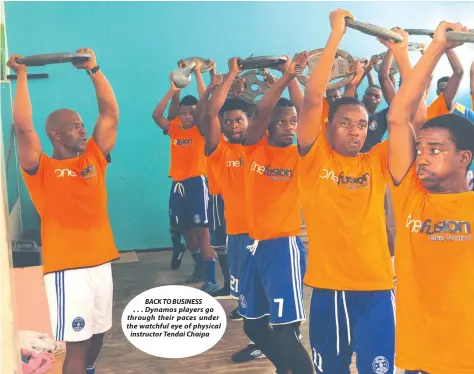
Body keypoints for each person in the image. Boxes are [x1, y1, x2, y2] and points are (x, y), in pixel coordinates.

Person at [8, 49, 119, 374]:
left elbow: (110, 113)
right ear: (54, 134)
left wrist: (94, 70)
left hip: (101, 261)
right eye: (74, 127)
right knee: (77, 346)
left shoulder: (94, 158)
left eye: (82, 125)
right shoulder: (41, 168)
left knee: (98, 335)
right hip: (68, 269)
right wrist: (22, 74)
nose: (82, 130)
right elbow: (24, 127)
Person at [297, 10, 396, 373]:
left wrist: (398, 54)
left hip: (377, 288)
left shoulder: (377, 160)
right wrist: (336, 35)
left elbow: (404, 116)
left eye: (363, 125)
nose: (356, 131)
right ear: (328, 128)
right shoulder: (314, 157)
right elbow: (311, 98)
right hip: (329, 288)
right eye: (345, 123)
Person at [385, 21, 474, 374]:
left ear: (464, 157)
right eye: (420, 148)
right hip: (419, 358)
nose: (421, 156)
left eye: (434, 149)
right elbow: (398, 117)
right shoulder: (410, 194)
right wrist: (435, 46)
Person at [238, 54, 313, 374]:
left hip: (283, 247)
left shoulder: (302, 155)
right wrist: (284, 77)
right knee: (253, 327)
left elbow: (310, 110)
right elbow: (261, 112)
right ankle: (287, 367)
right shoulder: (255, 146)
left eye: (293, 121)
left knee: (286, 330)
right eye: (282, 121)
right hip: (253, 246)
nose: (289, 127)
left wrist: (292, 76)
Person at [201, 58, 265, 362]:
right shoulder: (219, 151)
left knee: (268, 291)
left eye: (239, 120)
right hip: (237, 233)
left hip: (266, 234)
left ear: (249, 120)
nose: (233, 125)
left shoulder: (262, 147)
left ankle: (281, 340)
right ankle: (262, 341)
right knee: (247, 296)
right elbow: (210, 113)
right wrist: (232, 75)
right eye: (228, 121)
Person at [152, 65, 217, 289]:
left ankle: (211, 279)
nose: (188, 116)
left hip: (198, 183)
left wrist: (201, 74)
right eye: (184, 113)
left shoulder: (202, 128)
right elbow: (157, 115)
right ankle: (199, 268)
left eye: (192, 112)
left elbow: (206, 105)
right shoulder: (176, 127)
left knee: (203, 233)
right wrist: (173, 89)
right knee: (185, 232)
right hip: (178, 184)